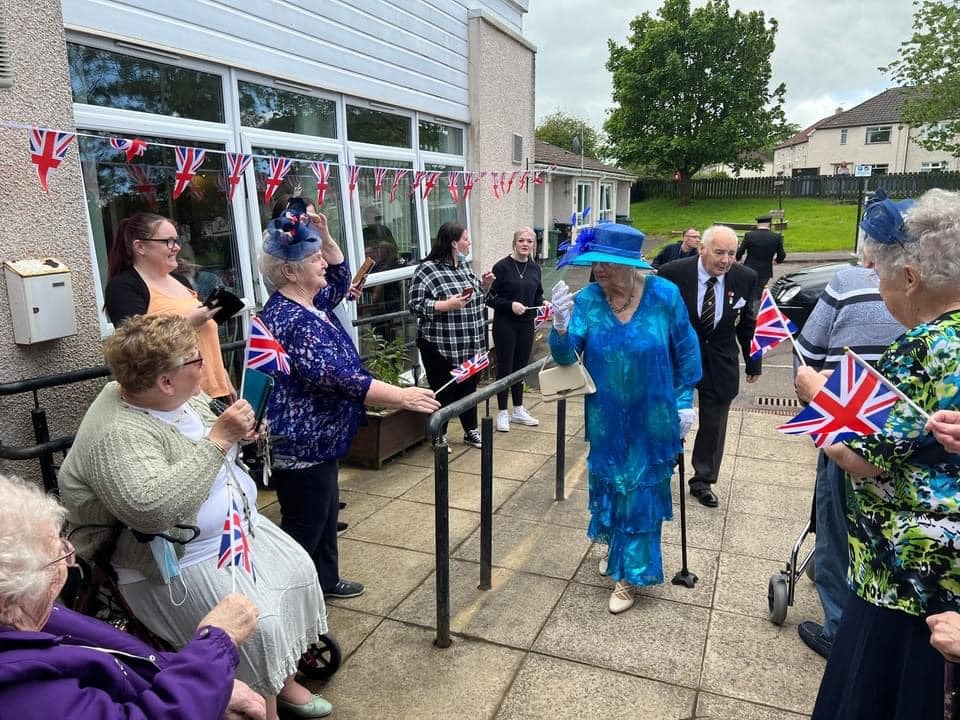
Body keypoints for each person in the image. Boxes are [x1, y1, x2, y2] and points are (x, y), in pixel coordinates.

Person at [57, 314, 333, 720]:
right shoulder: (117, 433)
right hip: (169, 559)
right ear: (166, 381)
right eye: (195, 359)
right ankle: (264, 705)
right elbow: (152, 511)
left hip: (231, 531)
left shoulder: (178, 394)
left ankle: (281, 678)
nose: (205, 362)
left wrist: (242, 429)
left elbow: (209, 420)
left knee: (298, 573)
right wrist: (219, 439)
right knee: (260, 626)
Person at [795, 188, 960, 719]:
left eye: (881, 276)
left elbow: (859, 457)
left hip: (908, 584)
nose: (880, 289)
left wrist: (818, 396)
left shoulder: (922, 347)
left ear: (910, 279)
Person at [259, 198, 438, 602]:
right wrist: (403, 396)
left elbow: (340, 276)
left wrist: (323, 233)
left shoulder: (308, 301)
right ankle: (292, 600)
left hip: (321, 439)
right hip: (302, 443)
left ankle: (325, 581)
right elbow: (339, 377)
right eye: (313, 257)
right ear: (290, 271)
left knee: (323, 518)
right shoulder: (290, 318)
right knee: (305, 525)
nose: (323, 260)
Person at [0, 473, 266, 720]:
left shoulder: (31, 615)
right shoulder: (19, 695)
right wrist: (217, 643)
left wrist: (209, 684)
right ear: (7, 602)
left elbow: (130, 659)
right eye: (57, 556)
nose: (69, 562)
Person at [549, 223, 701, 614]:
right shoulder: (588, 302)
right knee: (613, 486)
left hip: (654, 416)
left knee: (640, 491)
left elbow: (686, 352)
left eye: (607, 263)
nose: (598, 269)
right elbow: (567, 358)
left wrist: (685, 402)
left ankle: (629, 575)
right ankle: (617, 547)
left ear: (631, 266)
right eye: (594, 262)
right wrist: (560, 329)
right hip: (606, 418)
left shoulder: (664, 296)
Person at [792, 253, 905, 659]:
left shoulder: (849, 281)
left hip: (852, 433)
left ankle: (839, 632)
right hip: (904, 450)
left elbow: (806, 357)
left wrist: (816, 414)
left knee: (839, 536)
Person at [659, 225, 761, 508]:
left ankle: (703, 480)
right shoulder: (673, 273)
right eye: (719, 252)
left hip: (720, 360)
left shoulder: (745, 277)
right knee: (669, 417)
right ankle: (661, 469)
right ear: (702, 249)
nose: (726, 260)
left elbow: (750, 322)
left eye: (731, 253)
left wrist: (753, 361)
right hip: (677, 360)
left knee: (714, 426)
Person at [103, 212, 236, 402]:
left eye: (177, 240)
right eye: (169, 241)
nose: (177, 247)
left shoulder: (181, 280)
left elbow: (206, 340)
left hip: (212, 392)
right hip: (173, 399)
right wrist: (188, 323)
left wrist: (223, 377)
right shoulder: (124, 287)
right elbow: (135, 347)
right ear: (140, 246)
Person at [408, 222, 494, 450]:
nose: (469, 242)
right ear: (454, 243)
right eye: (466, 238)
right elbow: (415, 305)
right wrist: (445, 305)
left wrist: (484, 286)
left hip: (470, 343)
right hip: (440, 345)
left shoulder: (464, 266)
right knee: (443, 390)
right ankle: (439, 433)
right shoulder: (427, 270)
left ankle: (470, 431)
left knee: (468, 389)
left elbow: (475, 298)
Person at [486, 227, 544, 432]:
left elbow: (538, 294)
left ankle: (518, 409)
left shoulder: (535, 268)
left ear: (534, 245)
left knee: (521, 367)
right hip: (505, 323)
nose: (525, 244)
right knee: (505, 367)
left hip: (526, 323)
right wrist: (510, 305)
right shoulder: (502, 267)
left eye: (529, 241)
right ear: (514, 243)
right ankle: (502, 411)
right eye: (521, 240)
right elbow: (490, 298)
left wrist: (542, 304)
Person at [735, 215, 786, 299]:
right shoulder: (776, 237)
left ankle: (747, 309)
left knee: (747, 291)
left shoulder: (749, 235)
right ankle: (756, 309)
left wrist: (738, 258)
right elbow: (782, 255)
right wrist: (777, 261)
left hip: (749, 268)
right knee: (758, 293)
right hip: (765, 270)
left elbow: (740, 252)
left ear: (758, 224)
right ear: (769, 224)